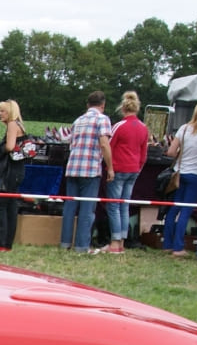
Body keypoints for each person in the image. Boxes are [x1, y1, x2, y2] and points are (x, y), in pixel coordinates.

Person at [59, 91, 113, 253]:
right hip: (90, 169)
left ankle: (65, 243)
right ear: (102, 105)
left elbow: (71, 144)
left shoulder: (78, 120)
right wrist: (110, 167)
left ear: (87, 104)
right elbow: (104, 144)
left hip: (73, 167)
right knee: (87, 209)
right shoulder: (103, 119)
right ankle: (82, 246)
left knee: (70, 207)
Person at [163, 100, 197, 256]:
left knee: (174, 208)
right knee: (186, 211)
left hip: (180, 172)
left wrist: (182, 154)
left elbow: (170, 152)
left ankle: (167, 244)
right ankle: (178, 247)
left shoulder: (184, 128)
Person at [102, 91, 149, 253]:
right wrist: (138, 168)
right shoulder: (143, 128)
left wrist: (109, 168)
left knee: (114, 205)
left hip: (119, 168)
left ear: (122, 108)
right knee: (124, 205)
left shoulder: (119, 126)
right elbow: (144, 153)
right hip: (134, 169)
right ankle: (122, 239)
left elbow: (109, 147)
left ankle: (115, 242)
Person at [0, 99, 28, 252]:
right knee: (10, 206)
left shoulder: (12, 124)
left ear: (10, 112)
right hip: (17, 170)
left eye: (3, 111)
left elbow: (10, 146)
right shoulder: (19, 125)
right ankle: (7, 243)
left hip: (10, 172)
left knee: (0, 205)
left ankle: (1, 242)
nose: (0, 113)